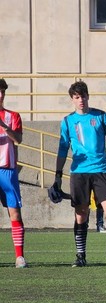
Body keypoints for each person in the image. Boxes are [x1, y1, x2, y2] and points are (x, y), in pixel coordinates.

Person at [54, 81, 106, 267]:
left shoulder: (100, 117)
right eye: (77, 97)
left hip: (102, 171)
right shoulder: (68, 121)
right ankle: (80, 256)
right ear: (72, 99)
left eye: (83, 96)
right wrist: (57, 175)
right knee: (81, 214)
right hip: (79, 173)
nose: (81, 100)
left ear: (88, 96)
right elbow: (62, 149)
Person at [0, 79, 27, 268]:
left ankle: (19, 257)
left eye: (2, 92)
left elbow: (18, 139)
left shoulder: (13, 116)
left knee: (15, 214)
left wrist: (4, 126)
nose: (0, 95)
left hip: (8, 171)